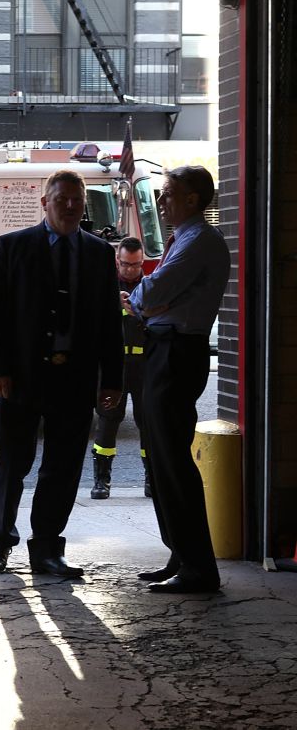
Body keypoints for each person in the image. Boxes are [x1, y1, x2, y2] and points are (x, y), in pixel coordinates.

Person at [0, 169, 123, 578]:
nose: (72, 207)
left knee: (62, 468)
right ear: (45, 204)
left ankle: (46, 549)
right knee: (12, 463)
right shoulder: (12, 247)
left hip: (74, 380)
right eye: (62, 200)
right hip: (20, 378)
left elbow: (110, 322)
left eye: (78, 200)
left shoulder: (98, 253)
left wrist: (111, 380)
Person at [125, 165, 229, 594]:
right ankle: (180, 554)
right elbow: (152, 300)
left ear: (192, 199)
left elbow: (148, 295)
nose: (162, 201)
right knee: (159, 459)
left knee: (172, 462)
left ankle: (199, 568)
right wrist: (150, 304)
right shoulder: (183, 239)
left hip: (177, 353)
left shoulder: (200, 241)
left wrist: (145, 300)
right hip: (163, 348)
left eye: (169, 194)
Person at [88, 237, 150, 499]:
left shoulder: (151, 286)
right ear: (118, 261)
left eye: (135, 265)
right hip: (114, 364)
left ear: (142, 262)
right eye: (125, 264)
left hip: (145, 365)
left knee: (148, 422)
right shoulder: (104, 288)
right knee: (108, 419)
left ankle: (152, 477)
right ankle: (102, 480)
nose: (130, 270)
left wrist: (140, 312)